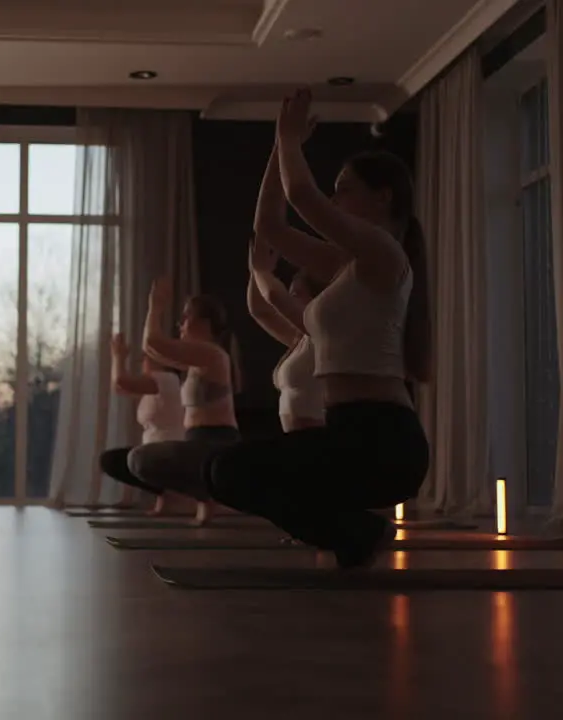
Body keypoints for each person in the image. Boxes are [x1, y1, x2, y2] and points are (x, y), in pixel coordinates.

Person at [207, 88, 432, 569]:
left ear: (382, 195)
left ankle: (361, 532)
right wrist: (278, 147)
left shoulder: (385, 256)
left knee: (232, 471)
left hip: (382, 439)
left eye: (344, 187)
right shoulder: (349, 266)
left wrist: (291, 142)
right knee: (228, 473)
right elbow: (271, 227)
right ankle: (356, 534)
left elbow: (302, 195)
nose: (334, 197)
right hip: (349, 432)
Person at [127, 277, 241, 526]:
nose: (180, 324)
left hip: (216, 443)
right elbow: (154, 350)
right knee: (137, 460)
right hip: (198, 442)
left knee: (139, 459)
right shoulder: (198, 362)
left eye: (185, 317)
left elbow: (153, 343)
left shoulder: (213, 354)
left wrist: (155, 307)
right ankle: (206, 497)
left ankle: (210, 496)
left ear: (203, 323)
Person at [98, 332, 187, 516]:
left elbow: (122, 380)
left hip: (169, 454)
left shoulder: (168, 379)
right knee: (111, 460)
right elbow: (119, 387)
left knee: (113, 459)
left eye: (146, 357)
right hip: (153, 453)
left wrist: (119, 356)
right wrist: (117, 356)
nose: (142, 362)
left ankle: (175, 495)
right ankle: (167, 495)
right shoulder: (153, 386)